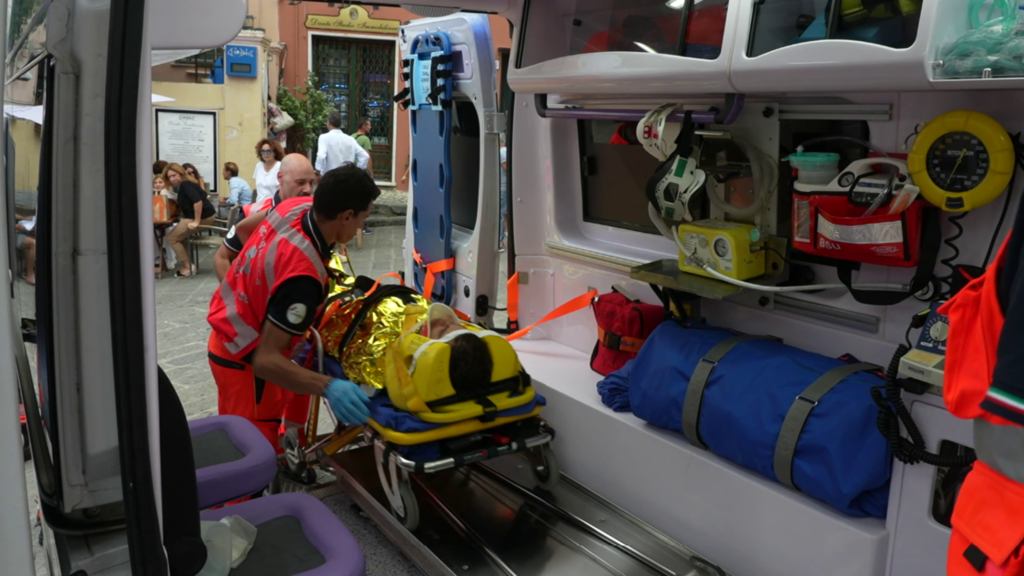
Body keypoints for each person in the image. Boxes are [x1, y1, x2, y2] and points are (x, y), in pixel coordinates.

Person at [206, 165, 380, 450]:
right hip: (244, 362)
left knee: (237, 441)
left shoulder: (296, 206)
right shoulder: (302, 279)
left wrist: (251, 285)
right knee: (254, 455)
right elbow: (266, 361)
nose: (361, 226)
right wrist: (328, 386)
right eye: (364, 218)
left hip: (227, 334)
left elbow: (244, 229)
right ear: (347, 215)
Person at [214, 153, 317, 281]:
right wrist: (232, 292)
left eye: (312, 183)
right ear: (280, 178)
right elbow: (222, 258)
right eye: (300, 182)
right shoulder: (253, 213)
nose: (308, 189)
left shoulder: (315, 213)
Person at [163, 163, 216, 277]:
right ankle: (189, 265)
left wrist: (196, 221)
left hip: (202, 218)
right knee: (179, 238)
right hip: (205, 216)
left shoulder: (185, 184)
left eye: (174, 175)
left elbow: (198, 202)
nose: (172, 179)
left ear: (181, 173)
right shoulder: (187, 183)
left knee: (171, 238)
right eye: (169, 177)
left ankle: (188, 267)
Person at [315, 111, 370, 176]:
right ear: (340, 124)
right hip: (347, 177)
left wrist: (318, 171)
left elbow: (321, 156)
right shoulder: (351, 140)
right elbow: (365, 156)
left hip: (330, 178)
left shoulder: (324, 138)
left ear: (329, 123)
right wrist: (356, 172)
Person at [353, 117, 376, 236]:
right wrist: (371, 173)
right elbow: (367, 157)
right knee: (364, 199)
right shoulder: (365, 139)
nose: (370, 127)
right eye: (369, 125)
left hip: (352, 170)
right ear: (363, 126)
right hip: (361, 171)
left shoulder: (351, 137)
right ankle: (361, 226)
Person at [253, 139, 284, 205]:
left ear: (275, 152)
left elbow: (282, 191)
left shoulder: (280, 166)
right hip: (259, 205)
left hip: (273, 205)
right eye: (263, 151)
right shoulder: (258, 166)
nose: (265, 153)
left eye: (268, 151)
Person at [14, 212, 36, 285]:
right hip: (16, 233)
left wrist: (26, 219)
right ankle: (30, 275)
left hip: (27, 230)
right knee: (33, 243)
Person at [499, 137, 508, 251]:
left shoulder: (502, 151)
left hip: (503, 187)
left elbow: (507, 168)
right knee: (501, 214)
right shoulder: (503, 151)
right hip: (503, 187)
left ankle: (500, 241)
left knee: (501, 215)